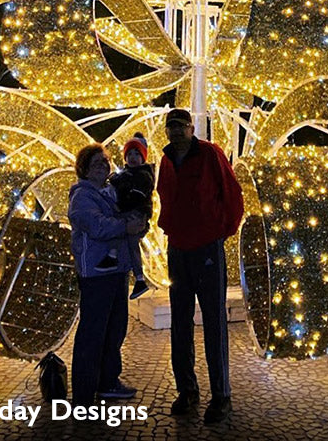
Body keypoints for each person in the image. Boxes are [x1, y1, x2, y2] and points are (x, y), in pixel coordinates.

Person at [156, 107, 244, 425]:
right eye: (172, 127)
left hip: (206, 246)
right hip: (178, 248)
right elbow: (164, 194)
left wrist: (221, 231)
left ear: (192, 128)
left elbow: (232, 193)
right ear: (166, 131)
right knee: (180, 323)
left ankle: (221, 395)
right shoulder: (166, 160)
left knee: (214, 322)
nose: (176, 131)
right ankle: (187, 390)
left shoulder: (210, 154)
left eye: (182, 126)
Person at [68, 144, 145, 406]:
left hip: (116, 271)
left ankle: (108, 382)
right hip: (97, 274)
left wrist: (136, 224)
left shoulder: (109, 192)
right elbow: (96, 226)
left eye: (105, 162)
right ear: (85, 169)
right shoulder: (82, 196)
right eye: (96, 163)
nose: (103, 166)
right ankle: (83, 394)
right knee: (93, 334)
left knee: (114, 330)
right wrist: (125, 225)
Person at [96, 132, 154, 299]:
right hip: (129, 213)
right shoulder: (126, 174)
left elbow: (135, 195)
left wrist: (119, 185)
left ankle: (139, 277)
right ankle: (116, 259)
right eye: (129, 154)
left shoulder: (143, 175)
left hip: (136, 213)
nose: (133, 157)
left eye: (137, 154)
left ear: (143, 157)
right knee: (120, 232)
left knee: (129, 240)